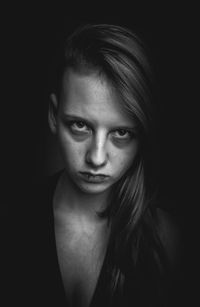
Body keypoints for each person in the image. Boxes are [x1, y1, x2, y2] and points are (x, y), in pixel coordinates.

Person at [47, 23, 179, 307]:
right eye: (80, 125)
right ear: (53, 116)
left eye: (121, 133)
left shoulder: (169, 241)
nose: (96, 158)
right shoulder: (8, 223)